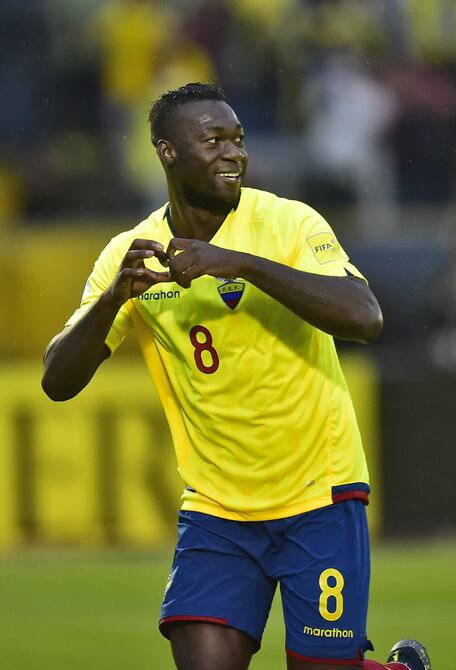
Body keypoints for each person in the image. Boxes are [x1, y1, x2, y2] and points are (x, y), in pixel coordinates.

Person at [41, 83, 431, 670]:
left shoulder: (287, 222)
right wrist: (111, 301)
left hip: (318, 493)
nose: (234, 154)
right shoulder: (130, 253)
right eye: (214, 140)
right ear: (167, 151)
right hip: (217, 509)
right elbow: (57, 381)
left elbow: (365, 318)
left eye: (239, 140)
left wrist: (240, 264)